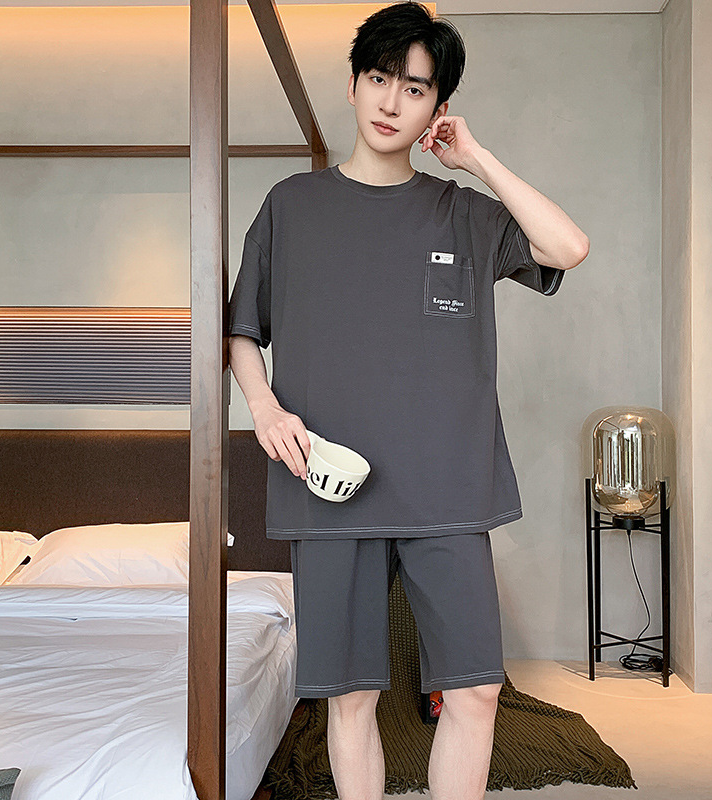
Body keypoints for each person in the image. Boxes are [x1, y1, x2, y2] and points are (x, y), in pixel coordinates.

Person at [228, 2, 589, 798]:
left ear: (438, 109)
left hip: (447, 488)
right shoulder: (291, 205)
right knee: (351, 699)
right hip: (329, 483)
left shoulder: (464, 213)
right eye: (379, 78)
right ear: (354, 85)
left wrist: (477, 160)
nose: (392, 101)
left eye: (416, 89)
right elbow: (241, 329)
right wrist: (265, 407)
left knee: (476, 692)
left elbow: (567, 247)